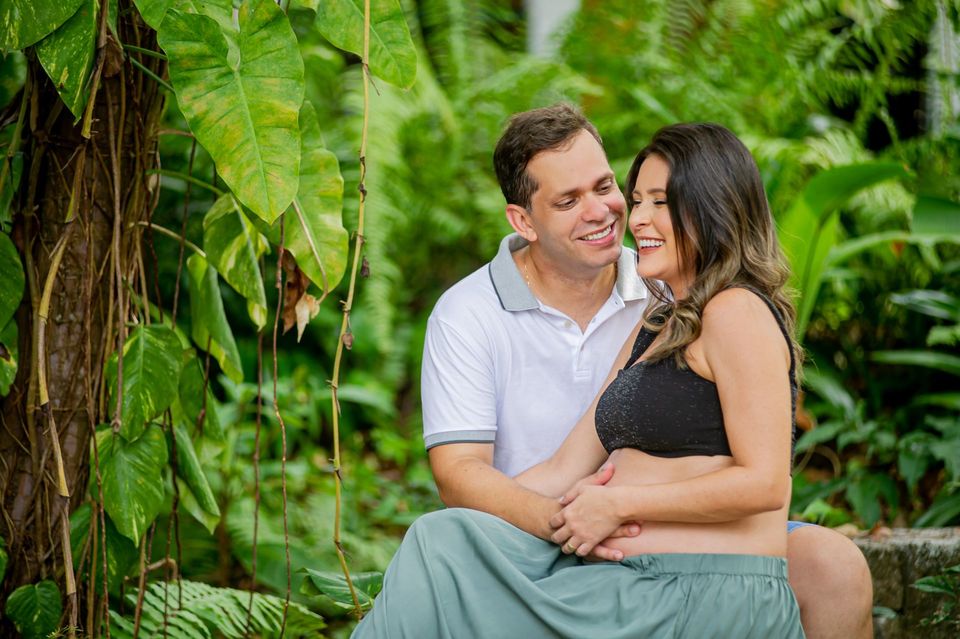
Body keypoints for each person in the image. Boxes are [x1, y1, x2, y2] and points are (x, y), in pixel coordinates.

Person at [369, 106, 871, 637]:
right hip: (588, 554)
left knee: (833, 565)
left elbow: (766, 482)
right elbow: (558, 467)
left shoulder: (725, 308)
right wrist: (562, 523)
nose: (628, 219)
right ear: (524, 221)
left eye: (615, 190)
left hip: (683, 581)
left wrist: (614, 506)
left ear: (711, 207)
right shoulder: (659, 317)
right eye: (571, 201)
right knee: (440, 542)